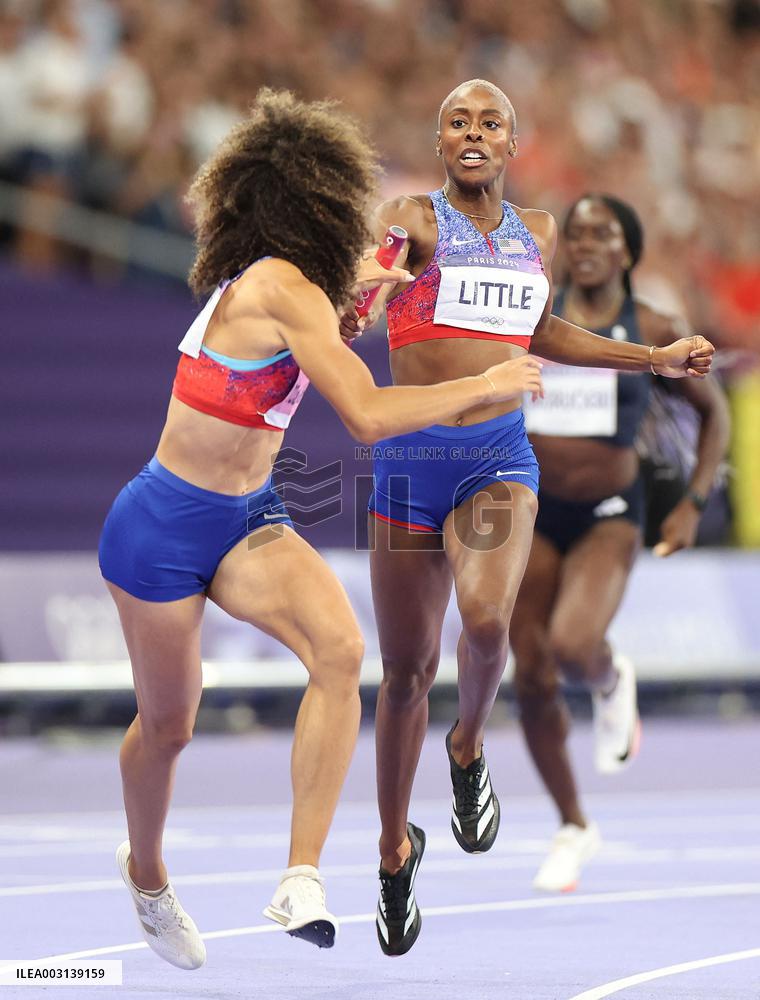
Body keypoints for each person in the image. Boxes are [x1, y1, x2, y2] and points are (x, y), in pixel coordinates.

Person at [98, 88, 546, 970]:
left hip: (246, 519)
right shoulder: (280, 287)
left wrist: (362, 288)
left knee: (340, 652)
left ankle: (301, 877)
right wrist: (485, 385)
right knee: (170, 727)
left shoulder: (305, 288)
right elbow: (369, 416)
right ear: (314, 210)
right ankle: (146, 873)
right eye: (345, 208)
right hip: (160, 525)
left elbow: (339, 303)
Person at [338, 79, 715, 957]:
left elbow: (544, 333)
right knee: (403, 675)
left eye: (490, 122)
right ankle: (394, 851)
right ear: (441, 142)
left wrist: (652, 357)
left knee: (485, 620)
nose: (474, 133)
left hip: (497, 462)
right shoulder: (411, 219)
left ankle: (467, 748)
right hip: (411, 464)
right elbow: (361, 309)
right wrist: (364, 295)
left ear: (512, 143)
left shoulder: (535, 232)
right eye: (458, 122)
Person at [512, 194, 730, 892]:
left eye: (601, 234)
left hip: (609, 511)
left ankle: (609, 678)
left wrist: (693, 502)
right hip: (531, 507)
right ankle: (572, 824)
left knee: (573, 646)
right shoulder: (529, 315)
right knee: (531, 672)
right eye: (574, 233)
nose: (583, 244)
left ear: (627, 252)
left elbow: (715, 413)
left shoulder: (654, 328)